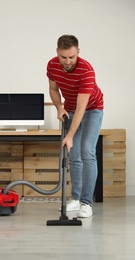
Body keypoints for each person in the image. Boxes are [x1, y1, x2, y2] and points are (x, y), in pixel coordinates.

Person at [46, 35, 104, 218]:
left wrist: (70, 135)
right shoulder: (52, 64)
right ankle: (76, 199)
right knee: (74, 154)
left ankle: (87, 203)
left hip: (92, 109)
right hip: (71, 108)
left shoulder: (86, 70)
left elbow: (82, 108)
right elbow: (53, 89)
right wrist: (59, 107)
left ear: (78, 52)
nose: (68, 61)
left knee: (87, 151)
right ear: (57, 53)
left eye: (72, 57)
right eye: (64, 57)